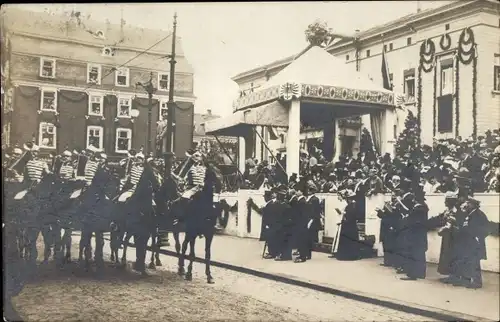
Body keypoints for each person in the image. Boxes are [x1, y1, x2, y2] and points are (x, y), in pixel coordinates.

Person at [454, 198, 489, 288]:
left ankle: (477, 282)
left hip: (474, 242)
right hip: (468, 242)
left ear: (473, 204)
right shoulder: (470, 214)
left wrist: (477, 236)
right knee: (467, 261)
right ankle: (466, 280)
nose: (466, 205)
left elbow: (485, 228)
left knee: (475, 262)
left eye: (468, 203)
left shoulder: (479, 214)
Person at [428, 191, 461, 282]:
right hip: (447, 236)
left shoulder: (456, 211)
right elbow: (439, 219)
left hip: (454, 237)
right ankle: (449, 274)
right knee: (446, 254)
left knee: (452, 254)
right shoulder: (447, 211)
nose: (444, 202)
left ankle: (454, 275)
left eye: (446, 200)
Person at [400, 192, 429, 280]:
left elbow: (412, 221)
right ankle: (420, 273)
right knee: (419, 254)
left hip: (415, 235)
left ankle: (413, 274)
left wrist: (406, 218)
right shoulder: (422, 207)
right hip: (419, 235)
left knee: (414, 254)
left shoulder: (419, 208)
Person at [336, 190, 360, 261]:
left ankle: (349, 255)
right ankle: (346, 255)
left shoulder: (353, 205)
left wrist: (345, 215)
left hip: (350, 224)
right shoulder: (350, 205)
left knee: (349, 239)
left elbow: (353, 215)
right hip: (348, 224)